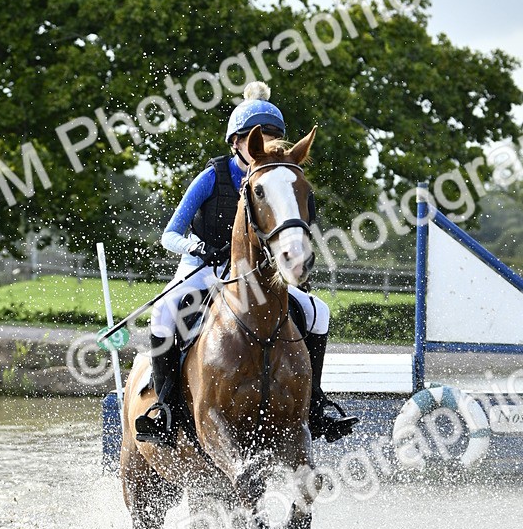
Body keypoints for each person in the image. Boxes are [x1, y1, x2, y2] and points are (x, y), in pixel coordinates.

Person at [134, 81, 357, 446]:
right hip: (203, 268)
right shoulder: (213, 176)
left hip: (259, 274)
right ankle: (166, 408)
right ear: (237, 142)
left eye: (273, 135)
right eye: (257, 135)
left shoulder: (284, 179)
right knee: (164, 313)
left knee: (319, 312)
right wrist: (196, 244)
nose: (266, 142)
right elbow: (169, 234)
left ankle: (314, 404)